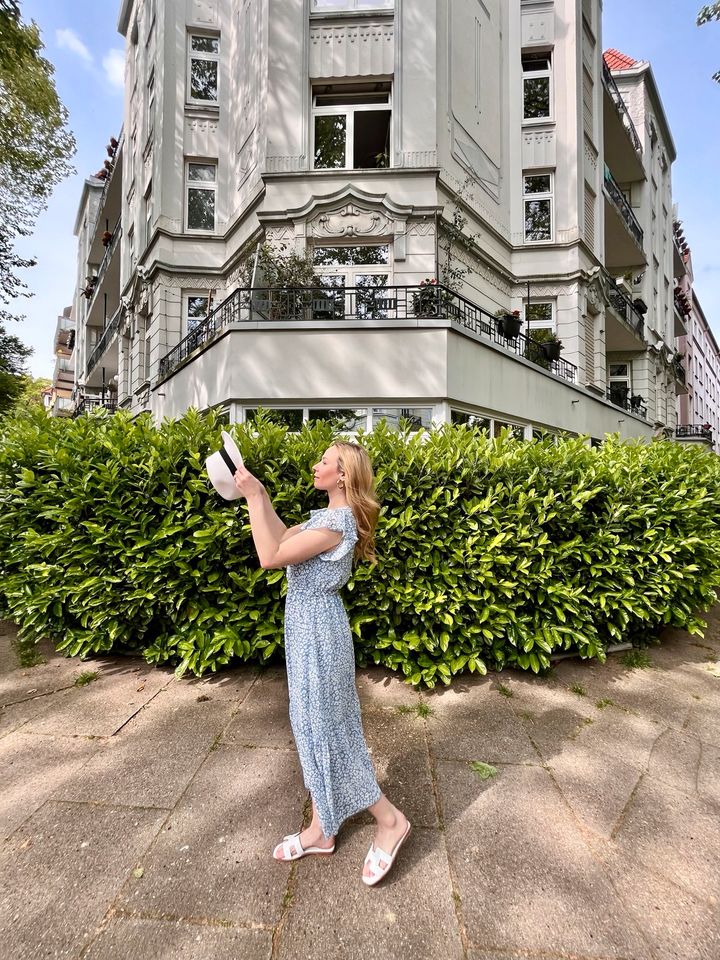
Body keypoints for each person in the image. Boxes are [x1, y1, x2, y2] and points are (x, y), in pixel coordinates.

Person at [233, 440, 411, 886]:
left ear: (344, 475)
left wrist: (254, 497)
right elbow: (279, 536)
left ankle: (390, 821)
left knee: (331, 728)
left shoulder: (338, 523)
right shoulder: (321, 518)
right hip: (306, 628)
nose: (316, 466)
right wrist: (261, 496)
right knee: (310, 724)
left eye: (325, 462)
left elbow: (269, 556)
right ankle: (321, 830)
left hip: (320, 633)